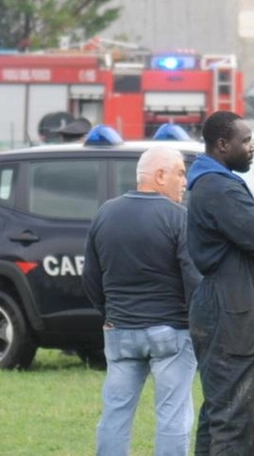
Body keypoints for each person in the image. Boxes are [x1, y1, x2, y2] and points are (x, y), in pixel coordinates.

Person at [82, 147, 199, 456]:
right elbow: (193, 278)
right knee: (173, 416)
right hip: (171, 332)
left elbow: (90, 277)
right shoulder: (179, 218)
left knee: (115, 414)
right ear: (159, 175)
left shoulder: (105, 212)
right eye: (180, 172)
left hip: (119, 331)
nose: (185, 181)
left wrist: (109, 313)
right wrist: (197, 322)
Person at [187, 111, 254, 456]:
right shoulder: (218, 188)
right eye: (245, 141)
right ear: (222, 144)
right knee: (236, 416)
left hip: (229, 310)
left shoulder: (217, 182)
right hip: (231, 316)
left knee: (221, 411)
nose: (252, 147)